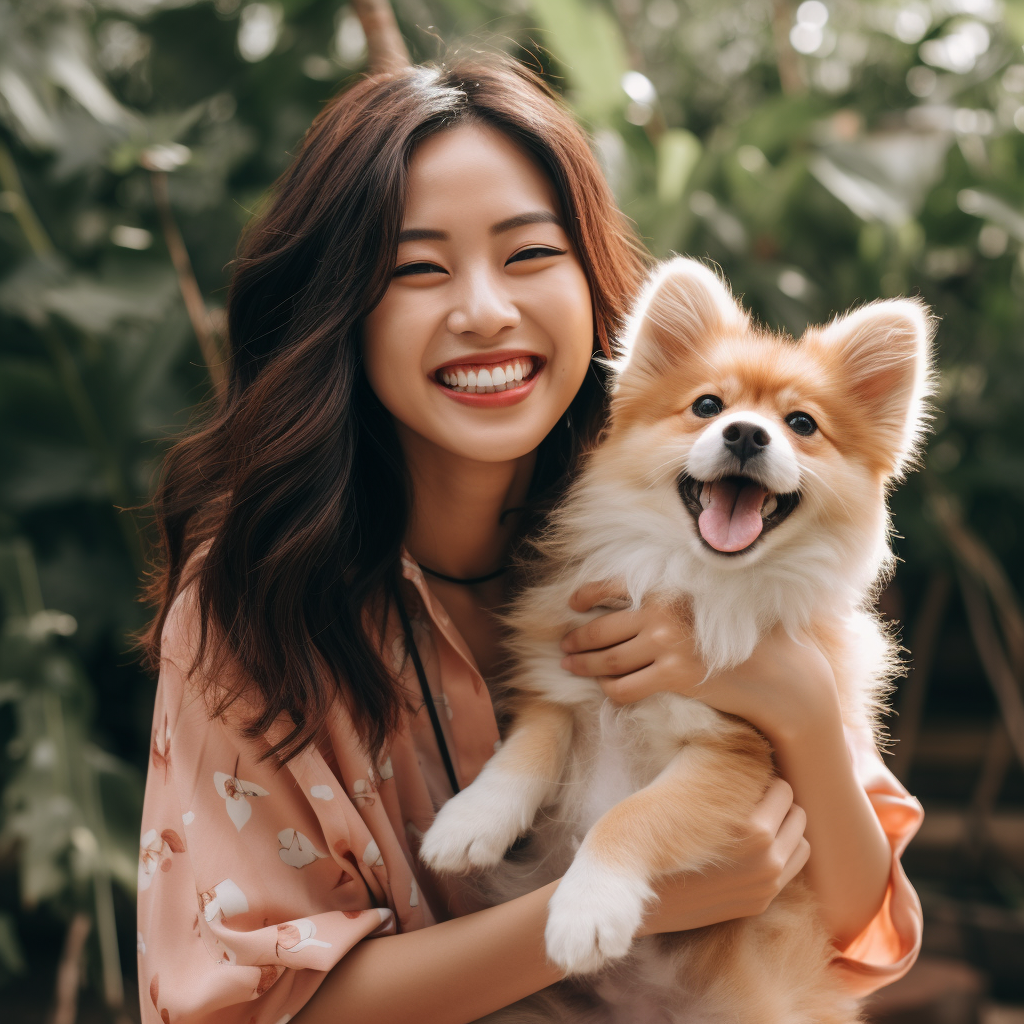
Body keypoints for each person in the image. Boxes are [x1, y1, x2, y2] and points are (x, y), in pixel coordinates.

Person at [136, 55, 923, 1024]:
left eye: (528, 254)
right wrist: (621, 897)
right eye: (417, 267)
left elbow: (859, 932)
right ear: (339, 308)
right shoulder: (257, 602)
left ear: (594, 285)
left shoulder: (710, 556)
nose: (484, 311)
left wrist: (799, 703)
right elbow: (247, 1004)